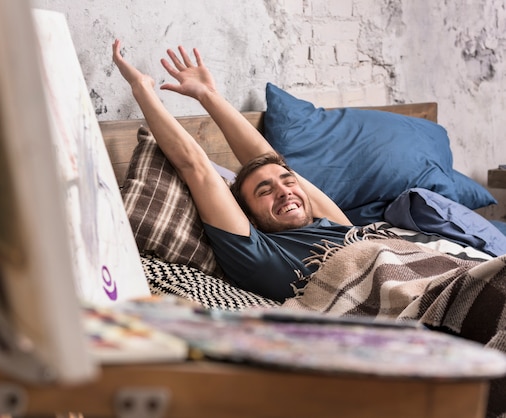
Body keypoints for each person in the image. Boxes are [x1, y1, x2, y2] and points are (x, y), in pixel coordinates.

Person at [112, 39, 353, 302]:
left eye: (288, 181)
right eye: (265, 192)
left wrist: (208, 94)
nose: (285, 192)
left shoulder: (339, 227)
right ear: (250, 218)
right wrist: (142, 88)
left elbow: (267, 158)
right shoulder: (261, 255)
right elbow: (195, 167)